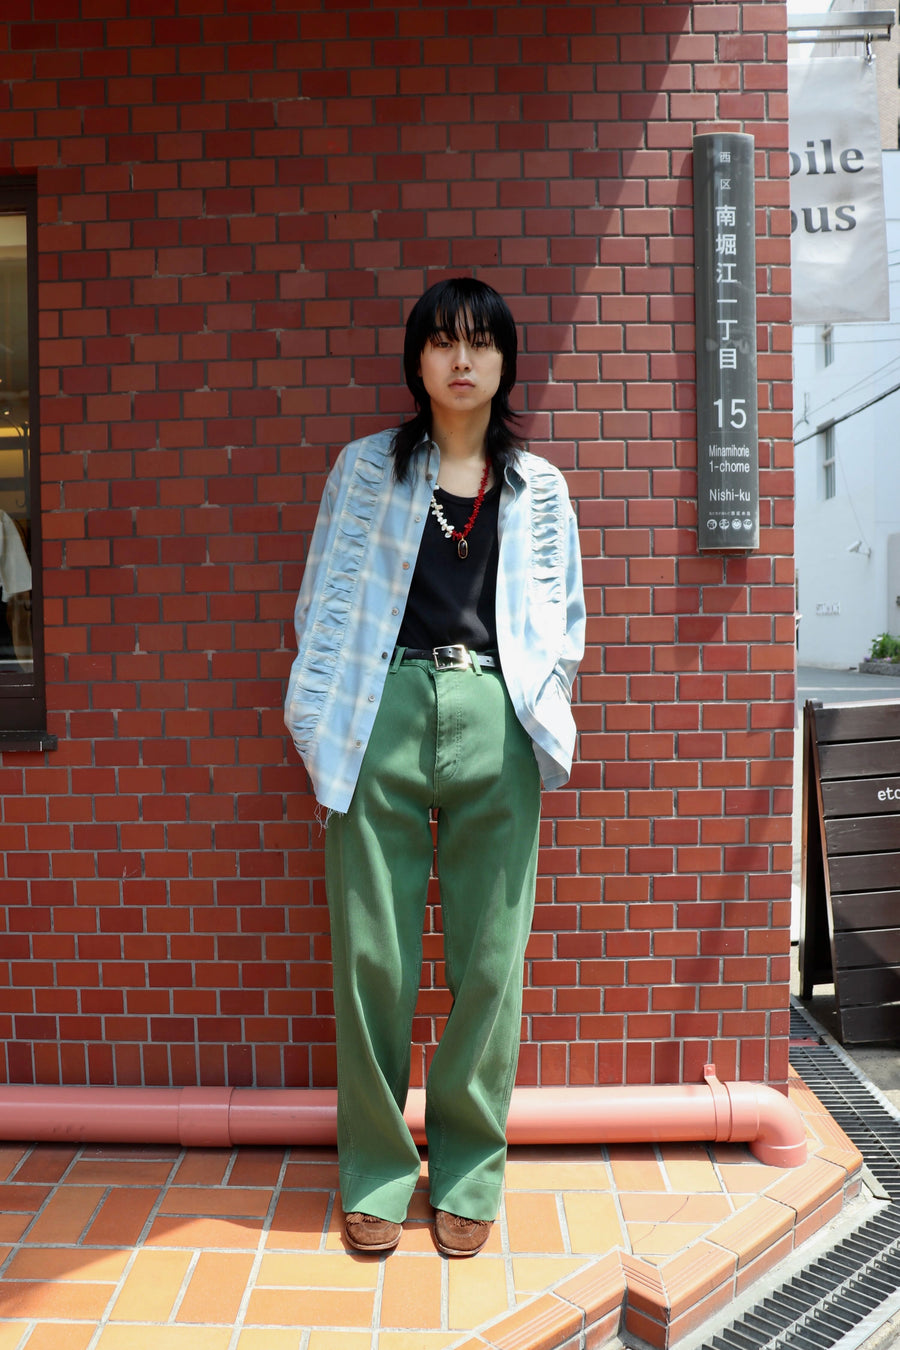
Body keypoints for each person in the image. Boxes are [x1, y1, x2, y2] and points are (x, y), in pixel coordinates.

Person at [284, 278, 585, 1257]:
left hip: (497, 714)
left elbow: (565, 621)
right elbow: (322, 603)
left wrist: (536, 704)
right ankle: (375, 1172)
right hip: (383, 709)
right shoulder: (366, 470)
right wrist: (324, 720)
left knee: (491, 958)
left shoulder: (538, 488)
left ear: (505, 361)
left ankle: (467, 1170)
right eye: (443, 343)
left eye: (481, 343)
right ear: (416, 361)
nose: (462, 360)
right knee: (373, 954)